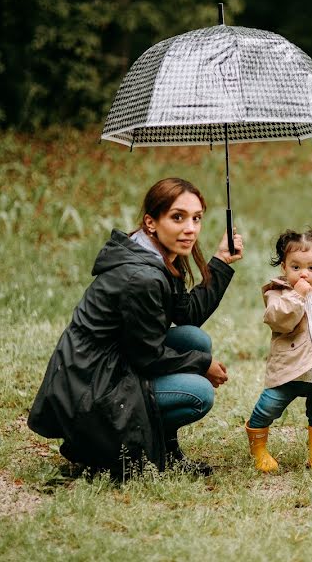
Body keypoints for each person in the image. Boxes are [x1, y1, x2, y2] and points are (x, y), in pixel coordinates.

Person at [27, 177, 244, 480]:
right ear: (151, 222)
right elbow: (147, 358)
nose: (190, 228)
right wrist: (203, 364)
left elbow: (188, 315)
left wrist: (221, 260)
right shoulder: (142, 276)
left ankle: (168, 453)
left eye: (196, 218)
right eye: (178, 217)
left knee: (194, 339)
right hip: (91, 386)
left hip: (114, 362)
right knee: (199, 393)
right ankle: (114, 453)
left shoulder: (158, 256)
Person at [244, 229, 312, 473]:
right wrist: (298, 295)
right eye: (296, 267)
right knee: (269, 407)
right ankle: (259, 450)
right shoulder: (278, 294)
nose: (304, 273)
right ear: (284, 267)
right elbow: (278, 320)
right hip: (290, 370)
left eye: (311, 268)